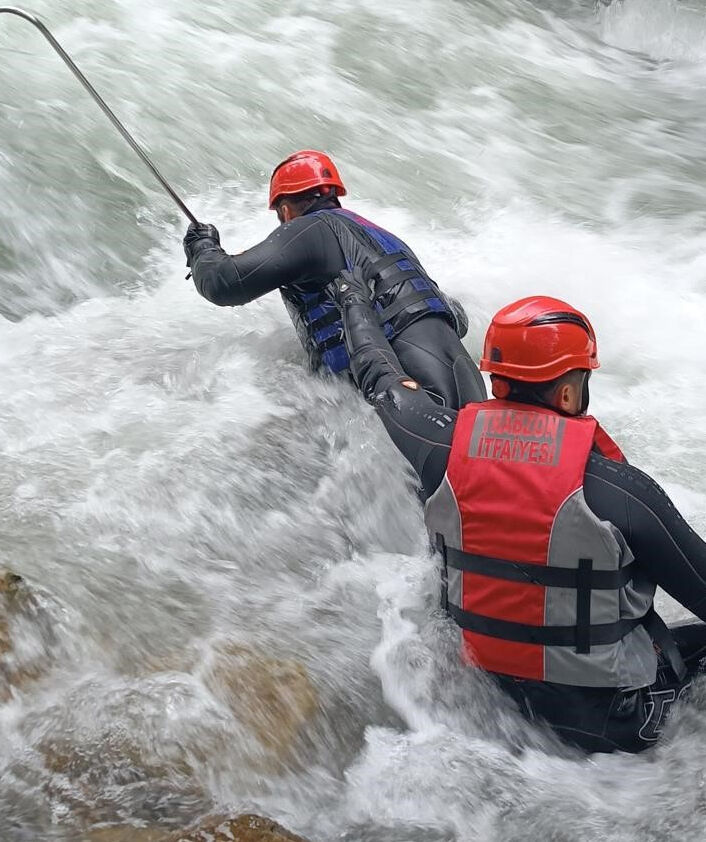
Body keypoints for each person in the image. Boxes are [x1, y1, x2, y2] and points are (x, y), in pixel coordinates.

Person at [333, 273, 706, 753]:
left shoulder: (437, 446)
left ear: (497, 380)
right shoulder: (620, 491)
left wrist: (352, 297)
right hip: (615, 726)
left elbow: (379, 378)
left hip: (493, 704)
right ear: (569, 393)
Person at [182, 149, 486, 409]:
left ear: (285, 209)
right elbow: (455, 317)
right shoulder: (385, 238)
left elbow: (226, 282)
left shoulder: (309, 231)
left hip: (408, 389)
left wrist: (201, 245)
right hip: (464, 380)